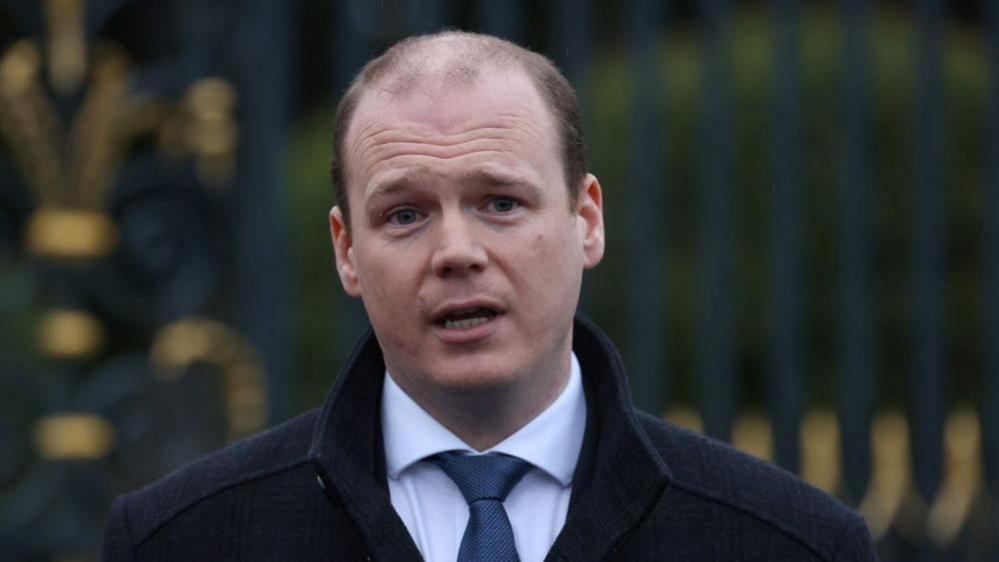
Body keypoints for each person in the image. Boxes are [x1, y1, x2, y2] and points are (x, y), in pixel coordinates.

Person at [103, 31, 878, 561]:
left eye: (500, 203)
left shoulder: (786, 544)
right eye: (404, 215)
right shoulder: (186, 541)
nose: (456, 253)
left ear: (586, 219)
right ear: (346, 250)